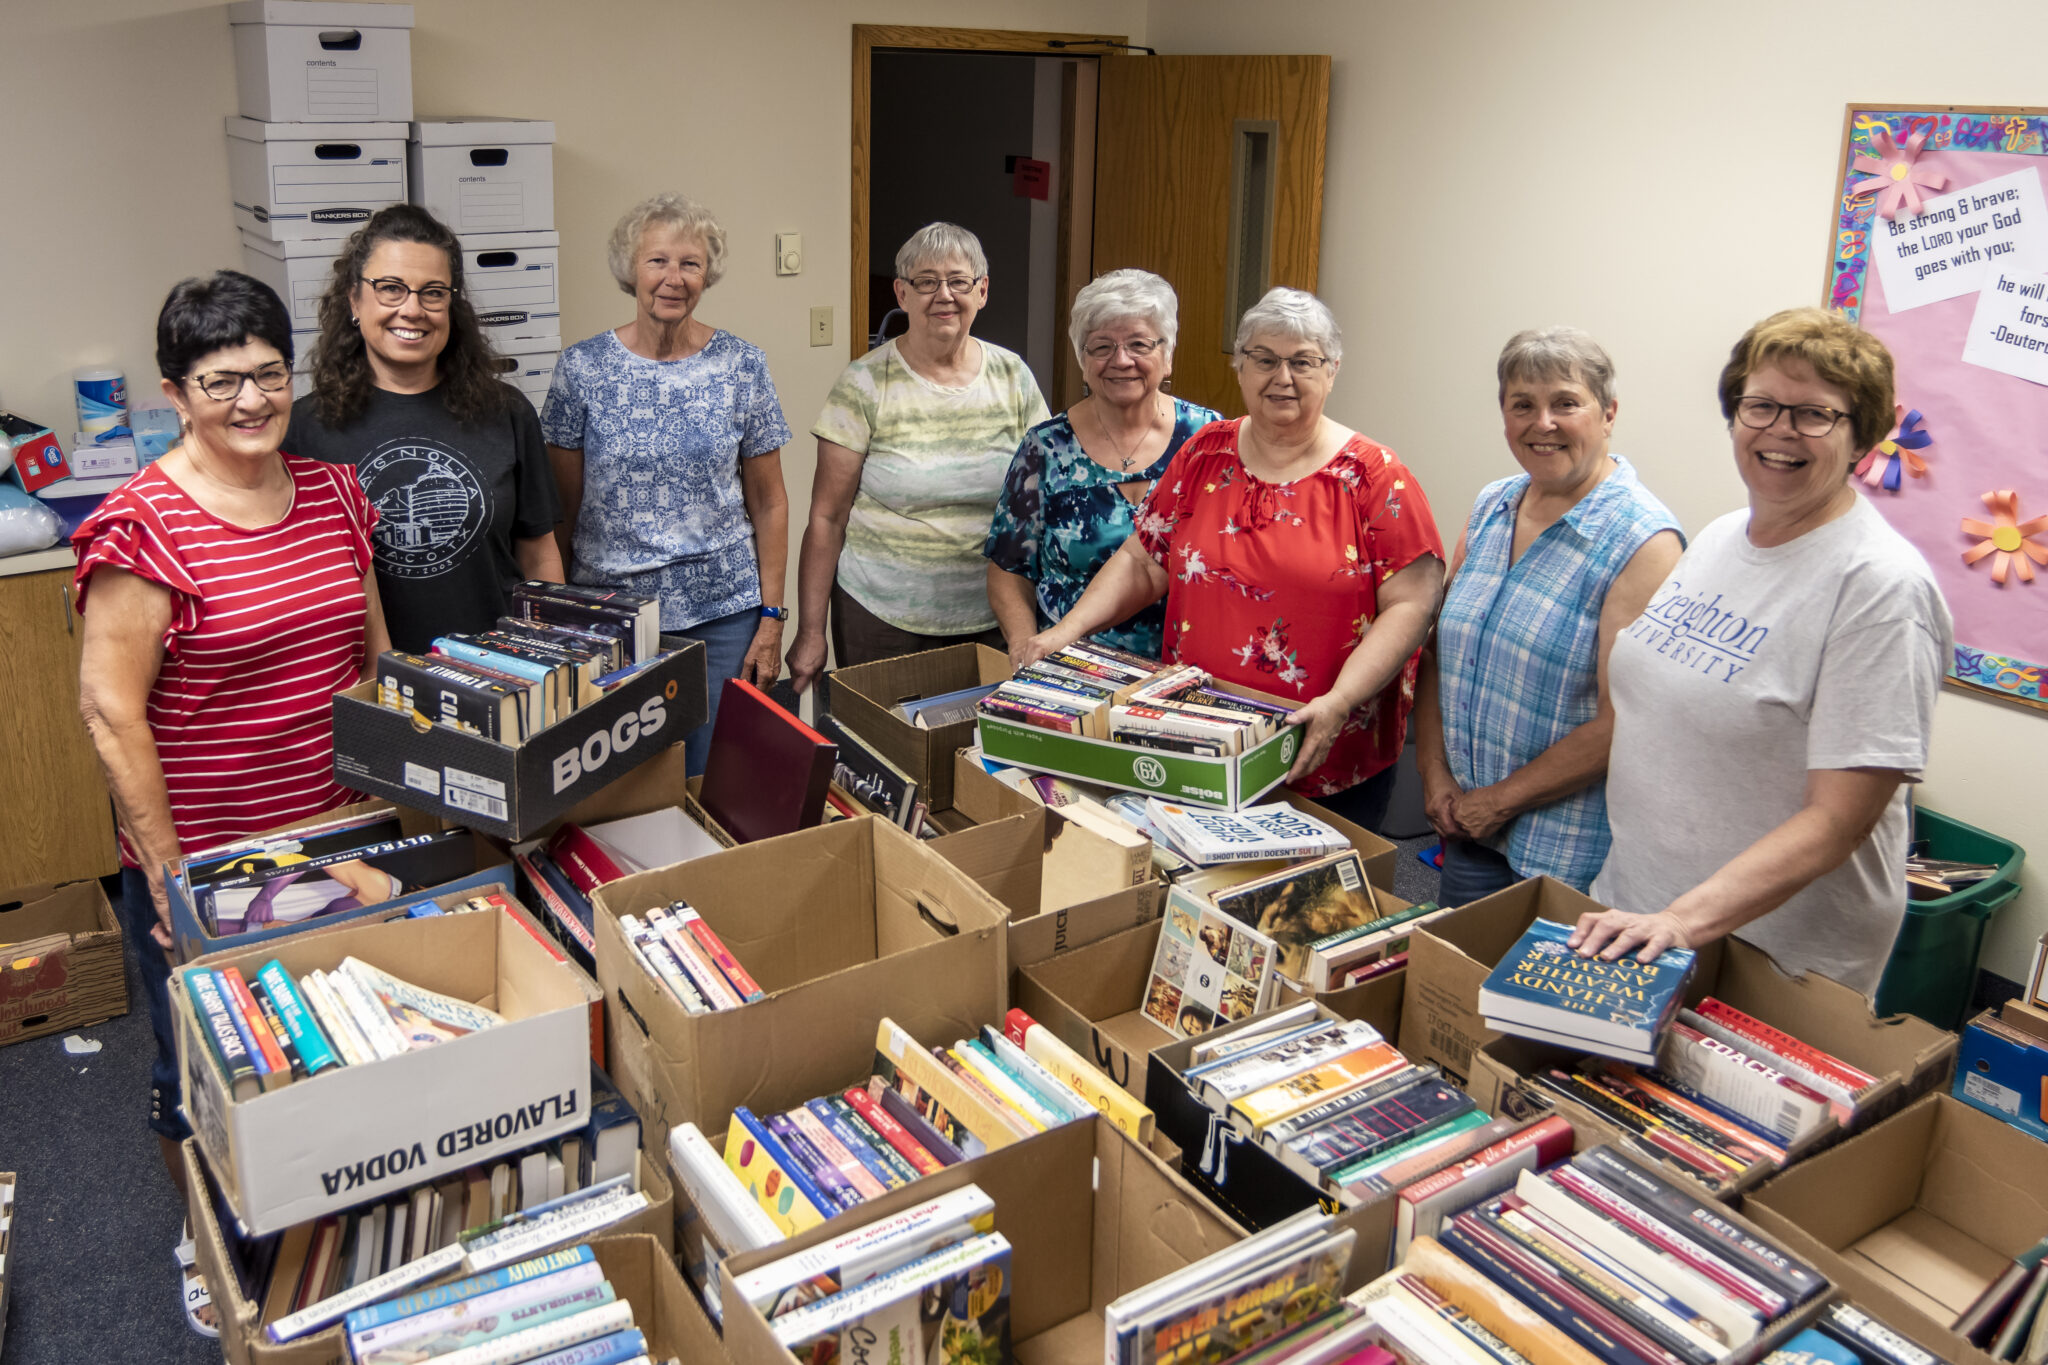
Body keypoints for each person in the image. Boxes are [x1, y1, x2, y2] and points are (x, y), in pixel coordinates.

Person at [72, 271, 387, 1335]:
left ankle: (320, 1219)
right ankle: (202, 1236)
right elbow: (112, 713)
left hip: (338, 834)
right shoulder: (140, 526)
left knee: (326, 1044)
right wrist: (169, 876)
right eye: (220, 382)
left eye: (266, 373)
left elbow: (370, 651)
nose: (250, 400)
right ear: (176, 390)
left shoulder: (337, 491)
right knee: (202, 1075)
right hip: (209, 856)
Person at [1573, 307, 1953, 996]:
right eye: (1762, 405)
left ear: (1862, 434)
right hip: (1639, 911)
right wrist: (1655, 914)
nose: (1781, 430)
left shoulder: (1879, 588)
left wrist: (1681, 920)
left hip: (1772, 957)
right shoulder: (1721, 537)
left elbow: (1838, 818)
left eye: (1815, 413)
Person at [1014, 288, 1445, 832]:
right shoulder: (1204, 453)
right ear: (1240, 367)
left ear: (1332, 370)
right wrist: (1063, 633)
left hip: (1323, 744)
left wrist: (1340, 700)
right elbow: (1145, 560)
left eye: (1302, 361)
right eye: (1263, 359)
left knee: (1309, 902)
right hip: (1198, 736)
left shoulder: (1375, 476)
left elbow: (1412, 604)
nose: (1281, 377)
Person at [1414, 328, 1684, 905]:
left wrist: (1500, 801)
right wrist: (1433, 772)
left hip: (1564, 857)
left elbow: (1626, 720)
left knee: (1522, 996)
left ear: (1608, 414)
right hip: (1464, 827)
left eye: (1566, 402)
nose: (1544, 423)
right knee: (1457, 988)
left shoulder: (1644, 541)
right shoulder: (1494, 504)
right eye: (1523, 406)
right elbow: (1440, 649)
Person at [542, 193, 792, 773]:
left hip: (723, 615)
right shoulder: (582, 369)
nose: (673, 278)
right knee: (620, 782)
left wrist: (772, 617)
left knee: (711, 776)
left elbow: (770, 500)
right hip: (610, 617)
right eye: (658, 261)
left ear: (708, 275)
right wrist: (555, 619)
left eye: (690, 263)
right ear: (631, 268)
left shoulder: (742, 365)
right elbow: (559, 510)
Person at [287, 203, 563, 652]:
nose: (412, 309)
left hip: (503, 675)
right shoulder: (303, 430)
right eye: (391, 288)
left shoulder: (507, 412)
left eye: (433, 292)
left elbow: (539, 552)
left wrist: (553, 653)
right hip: (369, 687)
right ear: (355, 300)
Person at [786, 222, 1049, 692]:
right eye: (926, 282)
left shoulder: (1013, 376)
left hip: (992, 613)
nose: (943, 295)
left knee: (975, 756)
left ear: (982, 291)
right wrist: (810, 632)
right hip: (881, 615)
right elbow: (826, 518)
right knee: (880, 756)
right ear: (902, 294)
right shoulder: (864, 383)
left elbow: (1038, 502)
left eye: (958, 281)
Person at [984, 269, 1221, 659]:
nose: (1121, 360)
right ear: (1082, 359)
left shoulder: (1210, 440)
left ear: (1168, 356)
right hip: (1068, 665)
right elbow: (1008, 568)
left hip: (1183, 670)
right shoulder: (1045, 448)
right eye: (1101, 347)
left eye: (1139, 344)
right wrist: (1025, 649)